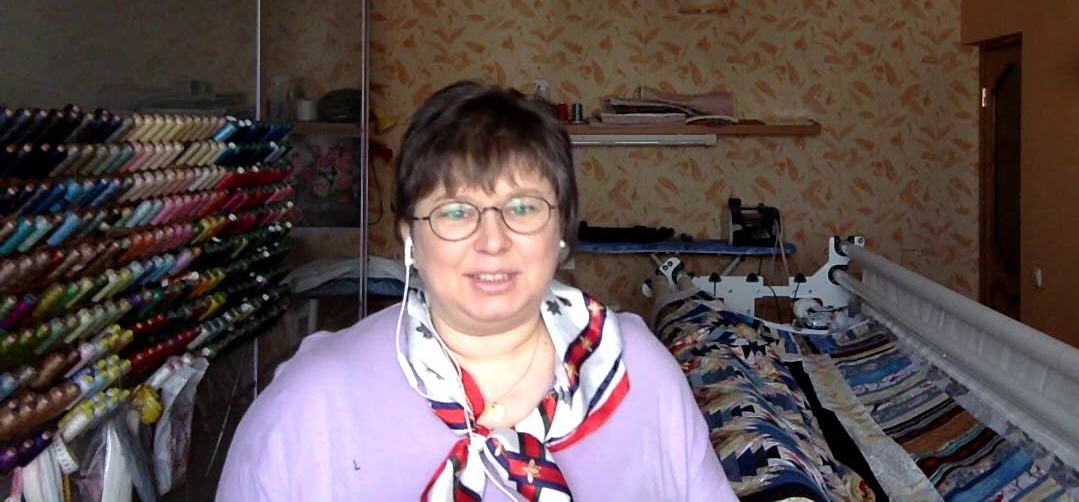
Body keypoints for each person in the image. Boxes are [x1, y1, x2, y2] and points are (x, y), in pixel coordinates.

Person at [217, 81, 736, 501]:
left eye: (523, 207)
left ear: (561, 229)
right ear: (409, 235)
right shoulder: (311, 402)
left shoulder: (640, 373)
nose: (493, 240)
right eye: (455, 211)